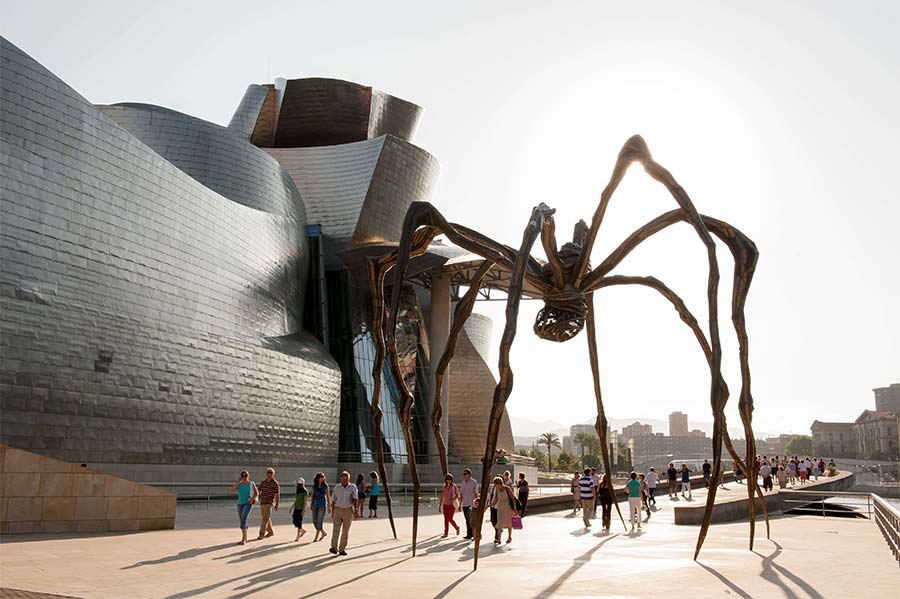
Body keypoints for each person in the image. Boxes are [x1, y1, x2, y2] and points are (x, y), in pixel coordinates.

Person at [329, 470, 358, 556]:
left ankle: (342, 549)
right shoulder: (337, 487)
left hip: (348, 510)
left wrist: (356, 510)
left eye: (346, 479)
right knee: (335, 530)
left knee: (345, 531)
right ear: (341, 479)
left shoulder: (352, 487)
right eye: (343, 478)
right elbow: (333, 500)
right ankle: (334, 547)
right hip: (338, 509)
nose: (344, 480)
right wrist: (332, 511)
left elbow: (356, 499)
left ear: (349, 479)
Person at [231, 470, 258, 545]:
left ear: (248, 476)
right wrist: (238, 481)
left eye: (245, 475)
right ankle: (244, 538)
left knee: (243, 519)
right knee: (242, 520)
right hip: (240, 504)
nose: (244, 477)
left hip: (248, 503)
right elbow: (232, 489)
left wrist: (252, 498)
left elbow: (257, 493)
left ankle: (244, 539)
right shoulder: (239, 484)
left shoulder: (251, 483)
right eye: (243, 476)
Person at [488, 476, 517, 544]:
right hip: (500, 508)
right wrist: (490, 504)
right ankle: (499, 539)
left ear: (499, 483)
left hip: (508, 508)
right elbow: (496, 499)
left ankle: (509, 537)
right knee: (500, 523)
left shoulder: (507, 489)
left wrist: (514, 508)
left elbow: (513, 498)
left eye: (495, 484)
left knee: (509, 523)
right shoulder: (498, 490)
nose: (495, 486)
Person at [257, 467, 280, 540]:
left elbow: (277, 495)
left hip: (269, 503)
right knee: (266, 518)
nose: (269, 474)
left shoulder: (275, 483)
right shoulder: (263, 482)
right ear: (266, 474)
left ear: (273, 474)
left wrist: (277, 504)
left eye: (271, 473)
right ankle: (270, 532)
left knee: (265, 518)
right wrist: (254, 498)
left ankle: (261, 534)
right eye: (268, 472)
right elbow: (258, 491)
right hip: (262, 502)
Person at [459, 468, 478, 539]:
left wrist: (477, 503)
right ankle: (469, 534)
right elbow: (461, 495)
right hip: (465, 504)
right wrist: (460, 504)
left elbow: (476, 493)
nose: (464, 475)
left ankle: (474, 534)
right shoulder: (463, 483)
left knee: (471, 519)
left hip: (471, 504)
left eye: (465, 473)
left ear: (469, 474)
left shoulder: (474, 482)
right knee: (467, 520)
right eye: (463, 474)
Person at [311, 472, 330, 542]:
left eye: (323, 477)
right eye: (321, 477)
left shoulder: (325, 486)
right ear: (318, 478)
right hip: (315, 504)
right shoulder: (314, 486)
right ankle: (323, 533)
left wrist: (329, 506)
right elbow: (313, 496)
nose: (322, 479)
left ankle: (316, 537)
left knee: (319, 521)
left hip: (322, 505)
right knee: (314, 521)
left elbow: (328, 496)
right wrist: (311, 504)